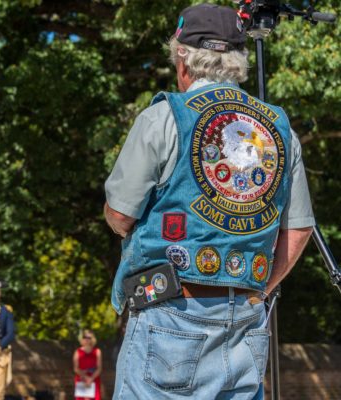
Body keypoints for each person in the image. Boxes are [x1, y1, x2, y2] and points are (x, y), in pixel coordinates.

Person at [104, 4, 315, 399]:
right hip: (247, 324)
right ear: (237, 62)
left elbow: (119, 214)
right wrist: (259, 290)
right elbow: (300, 228)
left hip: (170, 314)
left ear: (183, 60)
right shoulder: (280, 129)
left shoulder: (165, 116)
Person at [73, 329, 102, 400]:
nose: (86, 339)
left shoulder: (97, 351)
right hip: (81, 379)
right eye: (85, 337)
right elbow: (75, 368)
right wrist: (86, 377)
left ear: (92, 339)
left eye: (89, 337)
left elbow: (99, 368)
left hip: (94, 379)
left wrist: (91, 378)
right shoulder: (77, 352)